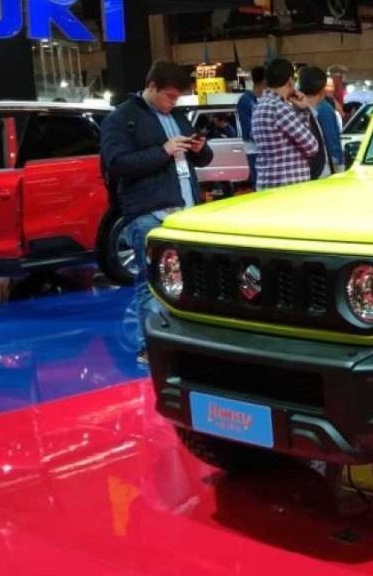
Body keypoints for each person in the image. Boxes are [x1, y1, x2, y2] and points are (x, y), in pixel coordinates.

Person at [100, 61, 213, 365]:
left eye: (177, 98)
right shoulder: (122, 118)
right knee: (151, 283)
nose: (173, 102)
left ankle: (182, 341)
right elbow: (117, 163)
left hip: (186, 211)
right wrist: (163, 151)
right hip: (149, 212)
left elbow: (204, 159)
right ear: (151, 87)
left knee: (187, 280)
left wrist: (199, 148)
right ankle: (148, 347)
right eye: (169, 96)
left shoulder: (177, 116)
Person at [252, 58, 320, 190]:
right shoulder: (279, 108)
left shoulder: (259, 106)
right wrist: (304, 109)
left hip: (267, 183)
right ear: (290, 81)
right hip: (288, 186)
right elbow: (312, 147)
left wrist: (301, 111)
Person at [298, 66, 343, 170]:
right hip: (324, 166)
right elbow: (331, 140)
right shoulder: (324, 108)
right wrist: (335, 165)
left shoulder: (295, 108)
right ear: (322, 89)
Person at [236, 65, 265, 185]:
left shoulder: (259, 100)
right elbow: (249, 130)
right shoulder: (246, 100)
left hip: (262, 149)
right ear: (263, 83)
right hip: (254, 149)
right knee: (259, 183)